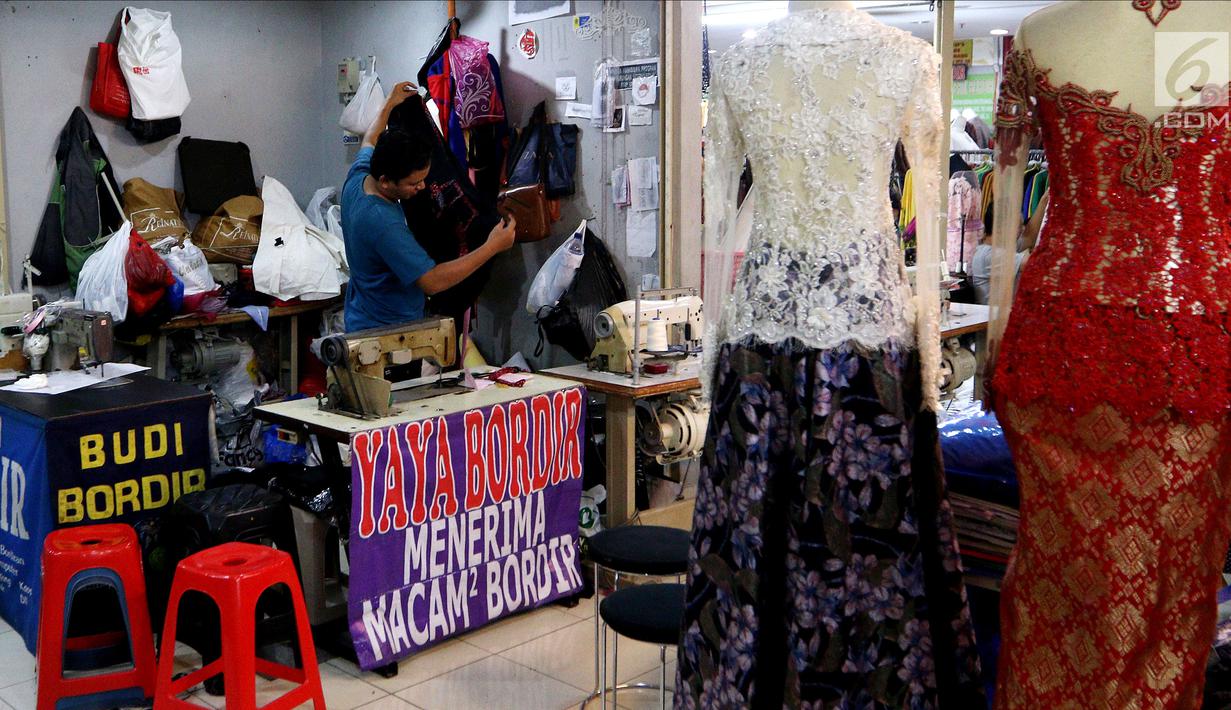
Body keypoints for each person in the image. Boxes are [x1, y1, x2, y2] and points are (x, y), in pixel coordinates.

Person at [341, 80, 516, 332]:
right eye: (414, 183)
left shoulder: (359, 177)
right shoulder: (383, 224)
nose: (423, 187)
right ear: (386, 181)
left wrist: (390, 103)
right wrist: (492, 247)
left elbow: (369, 139)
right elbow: (431, 282)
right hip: (388, 331)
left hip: (362, 314)